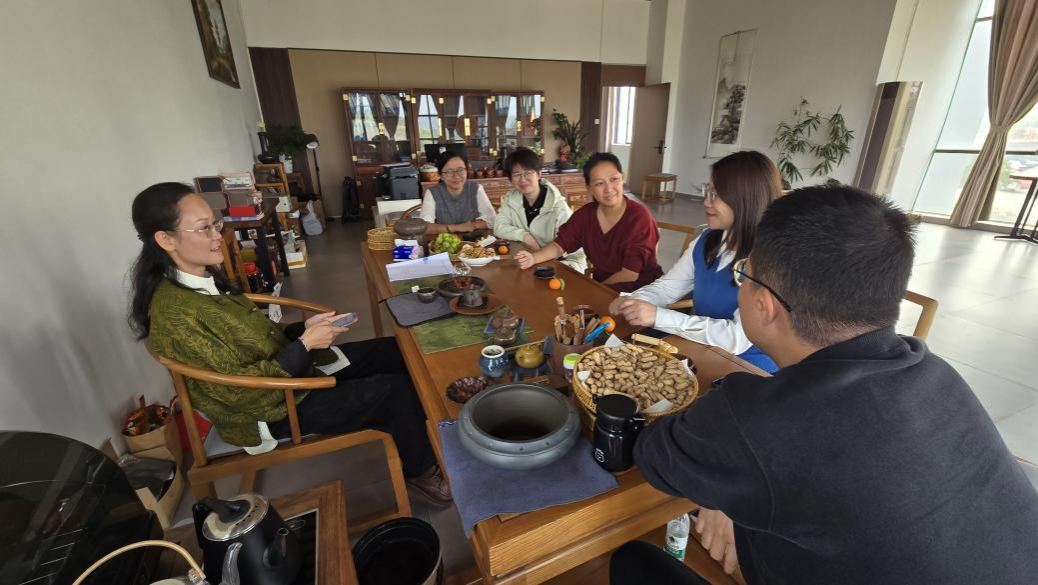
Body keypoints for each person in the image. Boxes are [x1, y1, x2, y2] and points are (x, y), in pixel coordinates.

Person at [610, 186, 1038, 584]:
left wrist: (723, 484)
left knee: (633, 560)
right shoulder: (936, 371)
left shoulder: (758, 416)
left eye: (744, 275)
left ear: (764, 304)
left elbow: (650, 454)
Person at [129, 183, 451, 506]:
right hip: (270, 408)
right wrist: (304, 345)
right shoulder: (178, 315)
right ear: (166, 239)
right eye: (204, 228)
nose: (217, 236)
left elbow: (256, 337)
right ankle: (421, 472)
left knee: (396, 350)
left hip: (287, 373)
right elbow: (243, 394)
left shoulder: (200, 282)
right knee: (394, 392)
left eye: (216, 224)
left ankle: (417, 431)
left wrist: (303, 332)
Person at [609, 151, 781, 372]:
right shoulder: (708, 240)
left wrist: (659, 317)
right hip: (702, 351)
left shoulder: (769, 258)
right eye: (707, 191)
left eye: (715, 194)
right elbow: (668, 287)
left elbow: (736, 338)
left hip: (747, 368)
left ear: (745, 199)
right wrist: (635, 301)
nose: (706, 201)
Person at [514, 152, 663, 292]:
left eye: (614, 179)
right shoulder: (586, 215)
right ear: (589, 188)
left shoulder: (638, 217)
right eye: (599, 183)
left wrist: (593, 291)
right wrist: (534, 258)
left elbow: (629, 275)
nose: (608, 189)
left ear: (622, 178)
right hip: (603, 288)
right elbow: (560, 245)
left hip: (642, 292)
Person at [493, 147, 586, 273]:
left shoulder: (558, 207)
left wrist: (539, 256)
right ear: (510, 179)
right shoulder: (511, 199)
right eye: (516, 174)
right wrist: (525, 236)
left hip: (562, 265)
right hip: (528, 260)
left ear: (539, 174)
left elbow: (573, 252)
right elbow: (498, 226)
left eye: (528, 172)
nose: (522, 179)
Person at [418, 151, 496, 234]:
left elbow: (492, 220)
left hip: (474, 240)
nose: (456, 176)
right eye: (450, 172)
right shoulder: (433, 193)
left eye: (460, 170)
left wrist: (471, 225)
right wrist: (458, 227)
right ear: (441, 176)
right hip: (445, 241)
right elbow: (424, 227)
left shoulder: (476, 189)